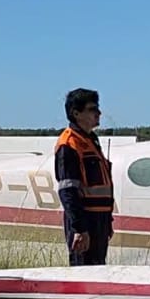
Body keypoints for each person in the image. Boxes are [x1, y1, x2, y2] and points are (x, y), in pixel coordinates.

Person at [54, 88, 114, 266]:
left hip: (100, 221)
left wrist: (107, 221)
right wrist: (79, 228)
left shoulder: (91, 140)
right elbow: (68, 191)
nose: (99, 113)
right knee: (83, 272)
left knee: (98, 270)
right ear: (76, 113)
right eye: (92, 109)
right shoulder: (69, 143)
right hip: (86, 220)